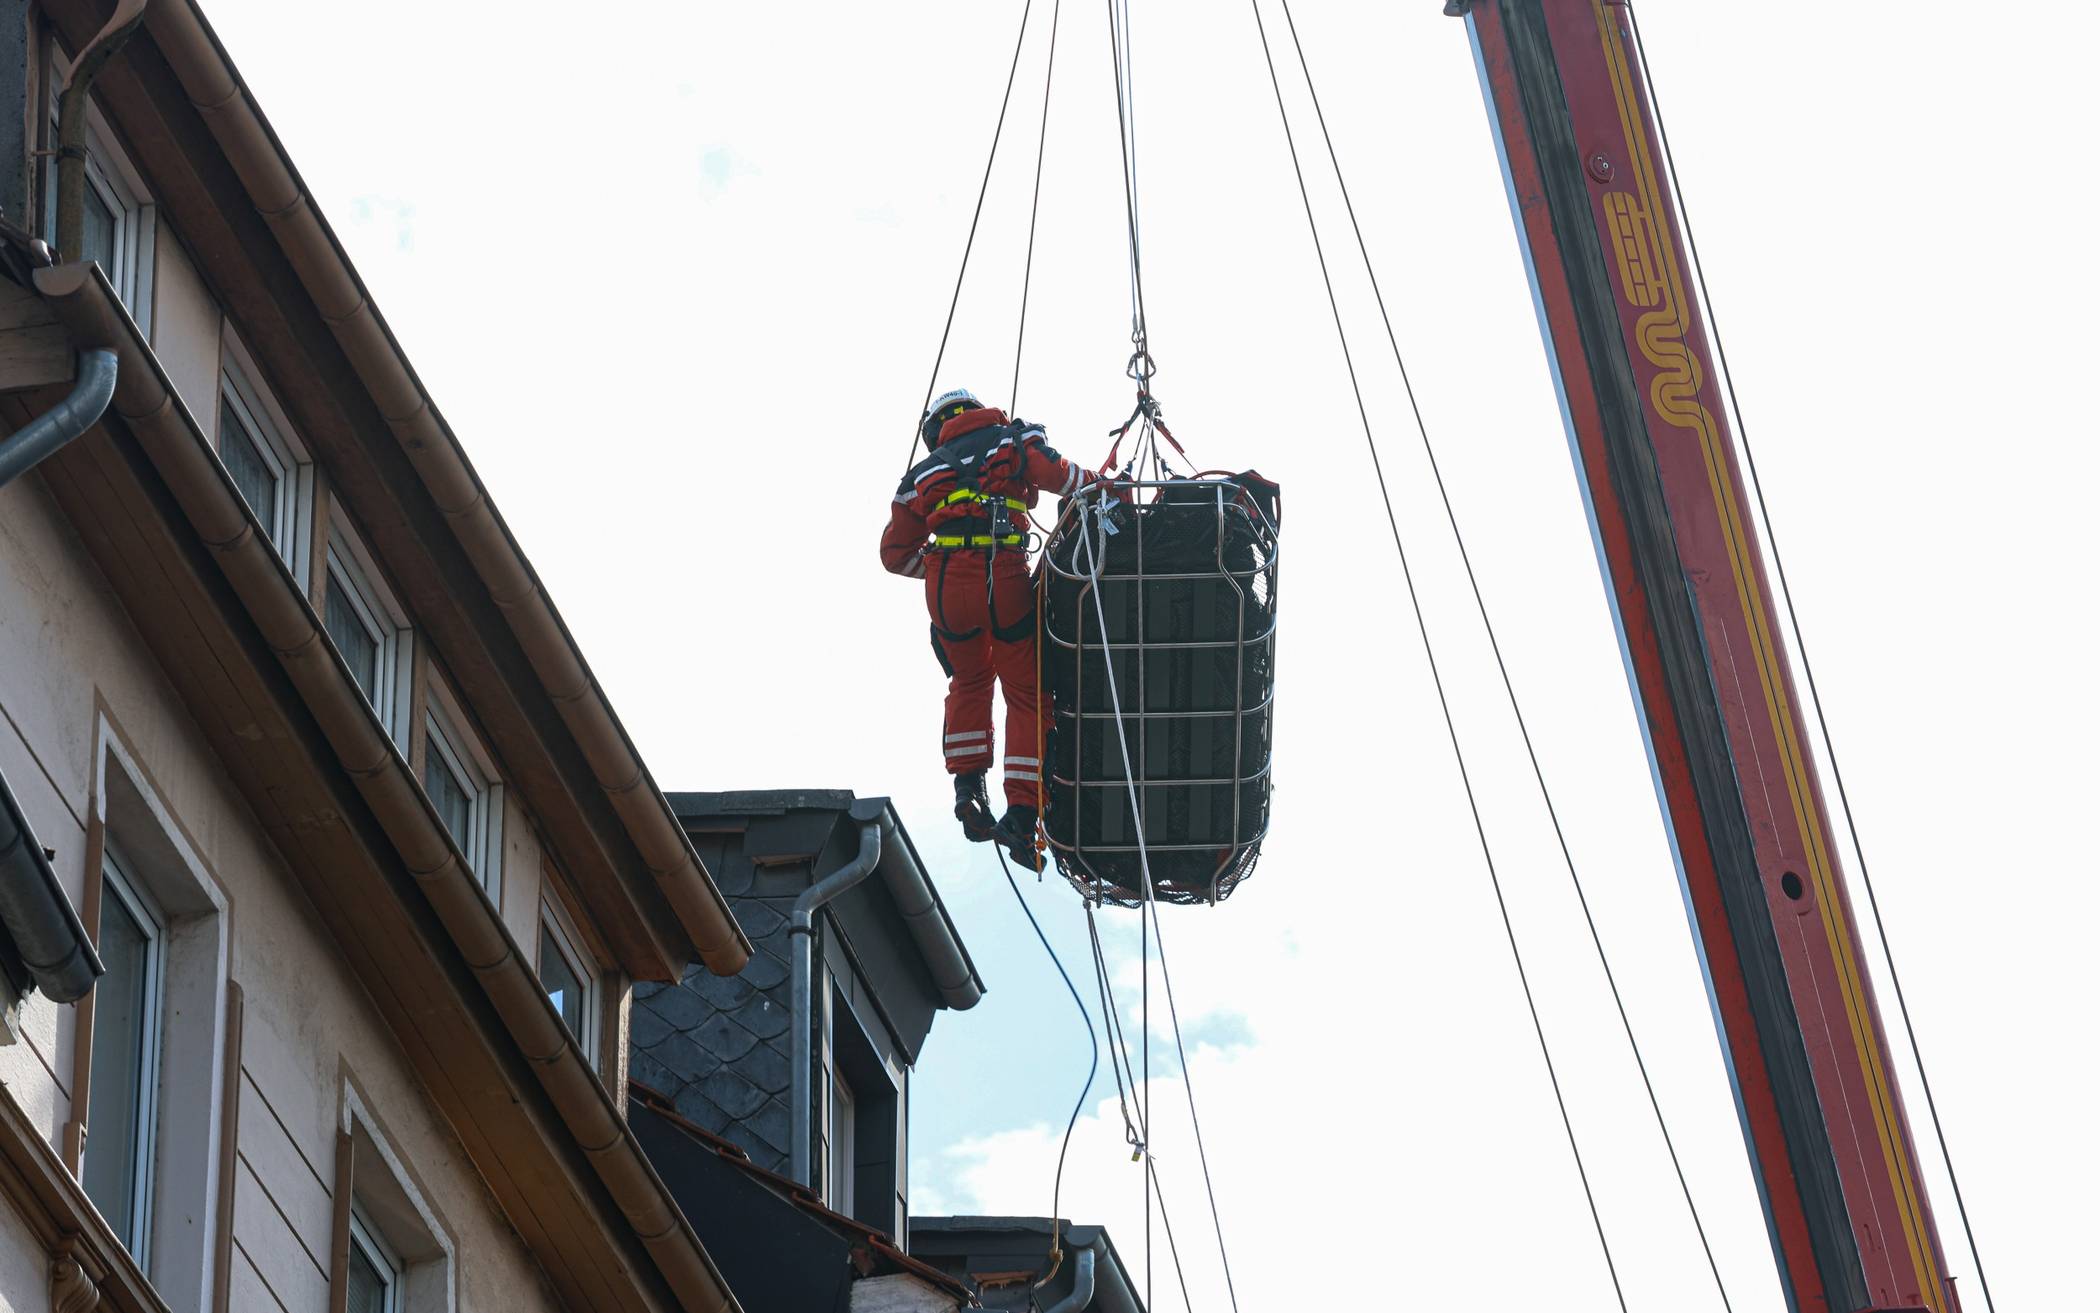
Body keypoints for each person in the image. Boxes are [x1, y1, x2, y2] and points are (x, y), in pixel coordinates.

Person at [882, 387, 1106, 868]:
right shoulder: (1011, 439)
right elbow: (1060, 477)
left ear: (936, 429)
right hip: (1002, 577)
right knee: (1025, 694)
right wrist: (1105, 484)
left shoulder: (921, 474)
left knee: (969, 682)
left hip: (945, 593)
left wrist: (940, 567)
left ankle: (969, 789)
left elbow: (894, 555)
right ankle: (1022, 815)